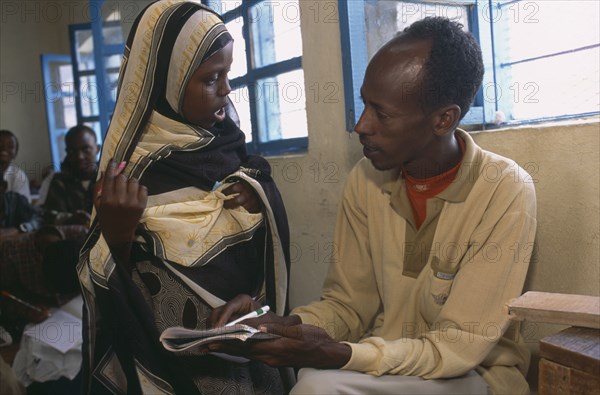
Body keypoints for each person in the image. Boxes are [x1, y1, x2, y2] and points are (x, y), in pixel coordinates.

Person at [208, 17, 537, 395]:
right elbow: (348, 307)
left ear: (443, 119)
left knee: (318, 386)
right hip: (391, 362)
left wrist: (339, 354)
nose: (361, 125)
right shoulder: (366, 178)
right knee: (311, 380)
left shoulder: (504, 190)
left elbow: (456, 347)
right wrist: (278, 323)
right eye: (365, 105)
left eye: (382, 114)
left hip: (476, 375)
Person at [76, 1, 290, 394]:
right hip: (177, 369)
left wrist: (260, 200)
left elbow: (263, 250)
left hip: (250, 350)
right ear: (167, 82)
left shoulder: (230, 147)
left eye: (228, 74)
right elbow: (104, 288)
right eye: (212, 78)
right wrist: (118, 238)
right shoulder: (128, 176)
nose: (226, 91)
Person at [43, 125, 100, 226]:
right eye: (72, 151)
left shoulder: (109, 178)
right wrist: (69, 219)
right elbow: (48, 216)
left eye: (86, 149)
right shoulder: (59, 181)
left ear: (98, 149)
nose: (79, 157)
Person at [0, 130, 31, 203]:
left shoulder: (19, 176)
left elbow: (21, 207)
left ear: (15, 153)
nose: (4, 149)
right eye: (0, 145)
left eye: (10, 146)